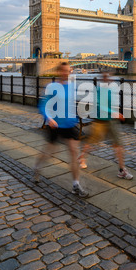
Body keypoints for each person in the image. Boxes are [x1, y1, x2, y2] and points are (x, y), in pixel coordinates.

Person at [34, 61, 88, 198]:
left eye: (68, 71)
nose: (66, 73)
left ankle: (76, 184)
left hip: (69, 125)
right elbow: (42, 105)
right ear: (58, 72)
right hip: (55, 125)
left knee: (74, 154)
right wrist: (49, 118)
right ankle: (37, 168)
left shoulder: (72, 86)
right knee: (49, 153)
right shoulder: (52, 87)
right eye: (63, 70)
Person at [79, 71, 133, 180]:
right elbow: (100, 106)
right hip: (100, 120)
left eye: (109, 78)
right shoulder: (98, 91)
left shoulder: (110, 90)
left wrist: (114, 113)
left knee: (118, 144)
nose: (108, 80)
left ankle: (122, 170)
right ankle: (81, 157)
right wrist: (115, 113)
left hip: (111, 120)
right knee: (92, 142)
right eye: (105, 78)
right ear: (102, 79)